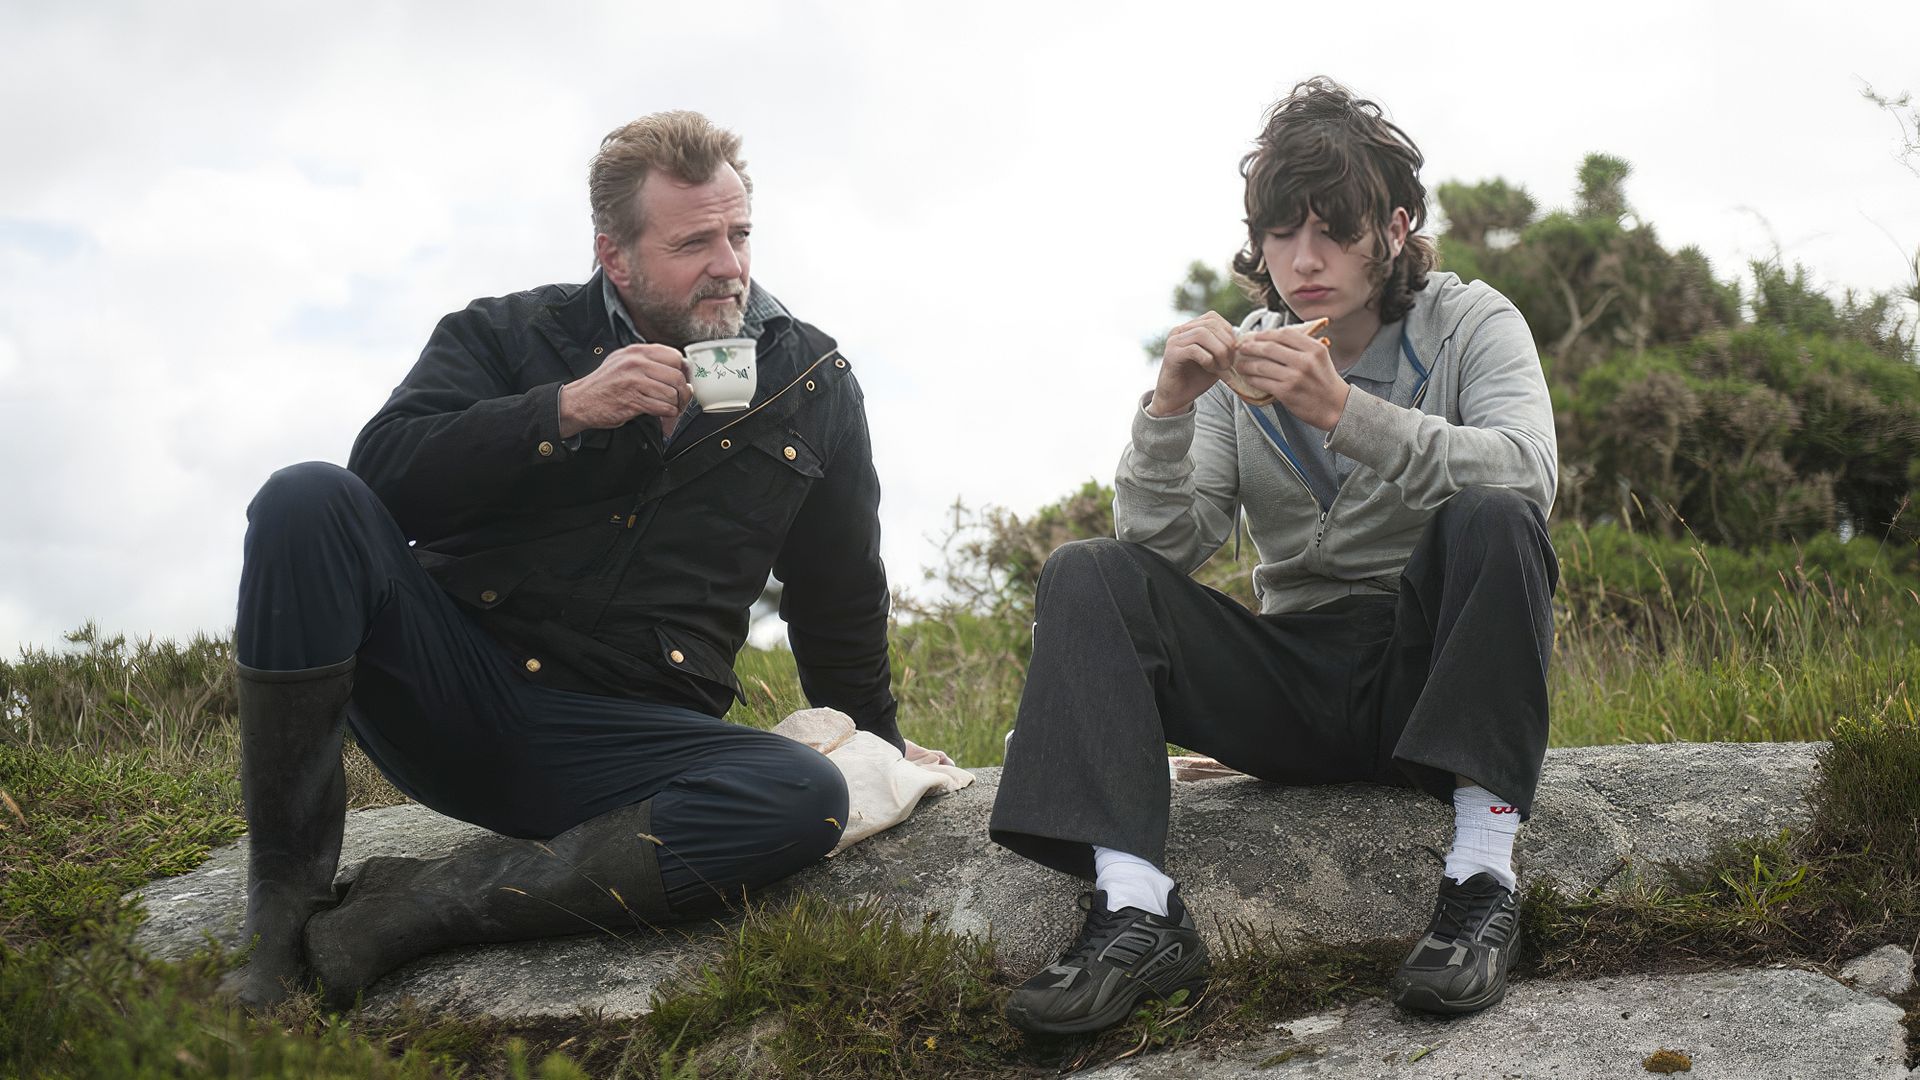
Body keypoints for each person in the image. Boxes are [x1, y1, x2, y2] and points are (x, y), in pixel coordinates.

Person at [223, 111, 902, 1008]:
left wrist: (883, 752)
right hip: (455, 688)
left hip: (624, 748)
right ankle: (281, 912)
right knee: (302, 496)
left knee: (802, 795)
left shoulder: (812, 382)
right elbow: (381, 478)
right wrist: (561, 413)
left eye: (740, 235)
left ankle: (413, 909)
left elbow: (839, 592)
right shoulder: (505, 333)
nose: (731, 265)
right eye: (695, 241)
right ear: (614, 256)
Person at [989, 77, 1559, 1034]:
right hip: (1291, 680)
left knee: (1495, 516)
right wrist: (1168, 409)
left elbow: (1530, 474)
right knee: (1088, 569)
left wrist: (1343, 411)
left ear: (1395, 227)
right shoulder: (1239, 359)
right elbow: (1168, 547)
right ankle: (1135, 908)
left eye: (1333, 230)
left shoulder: (1471, 323)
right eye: (1280, 233)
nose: (1304, 259)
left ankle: (1482, 881)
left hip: (1427, 678)